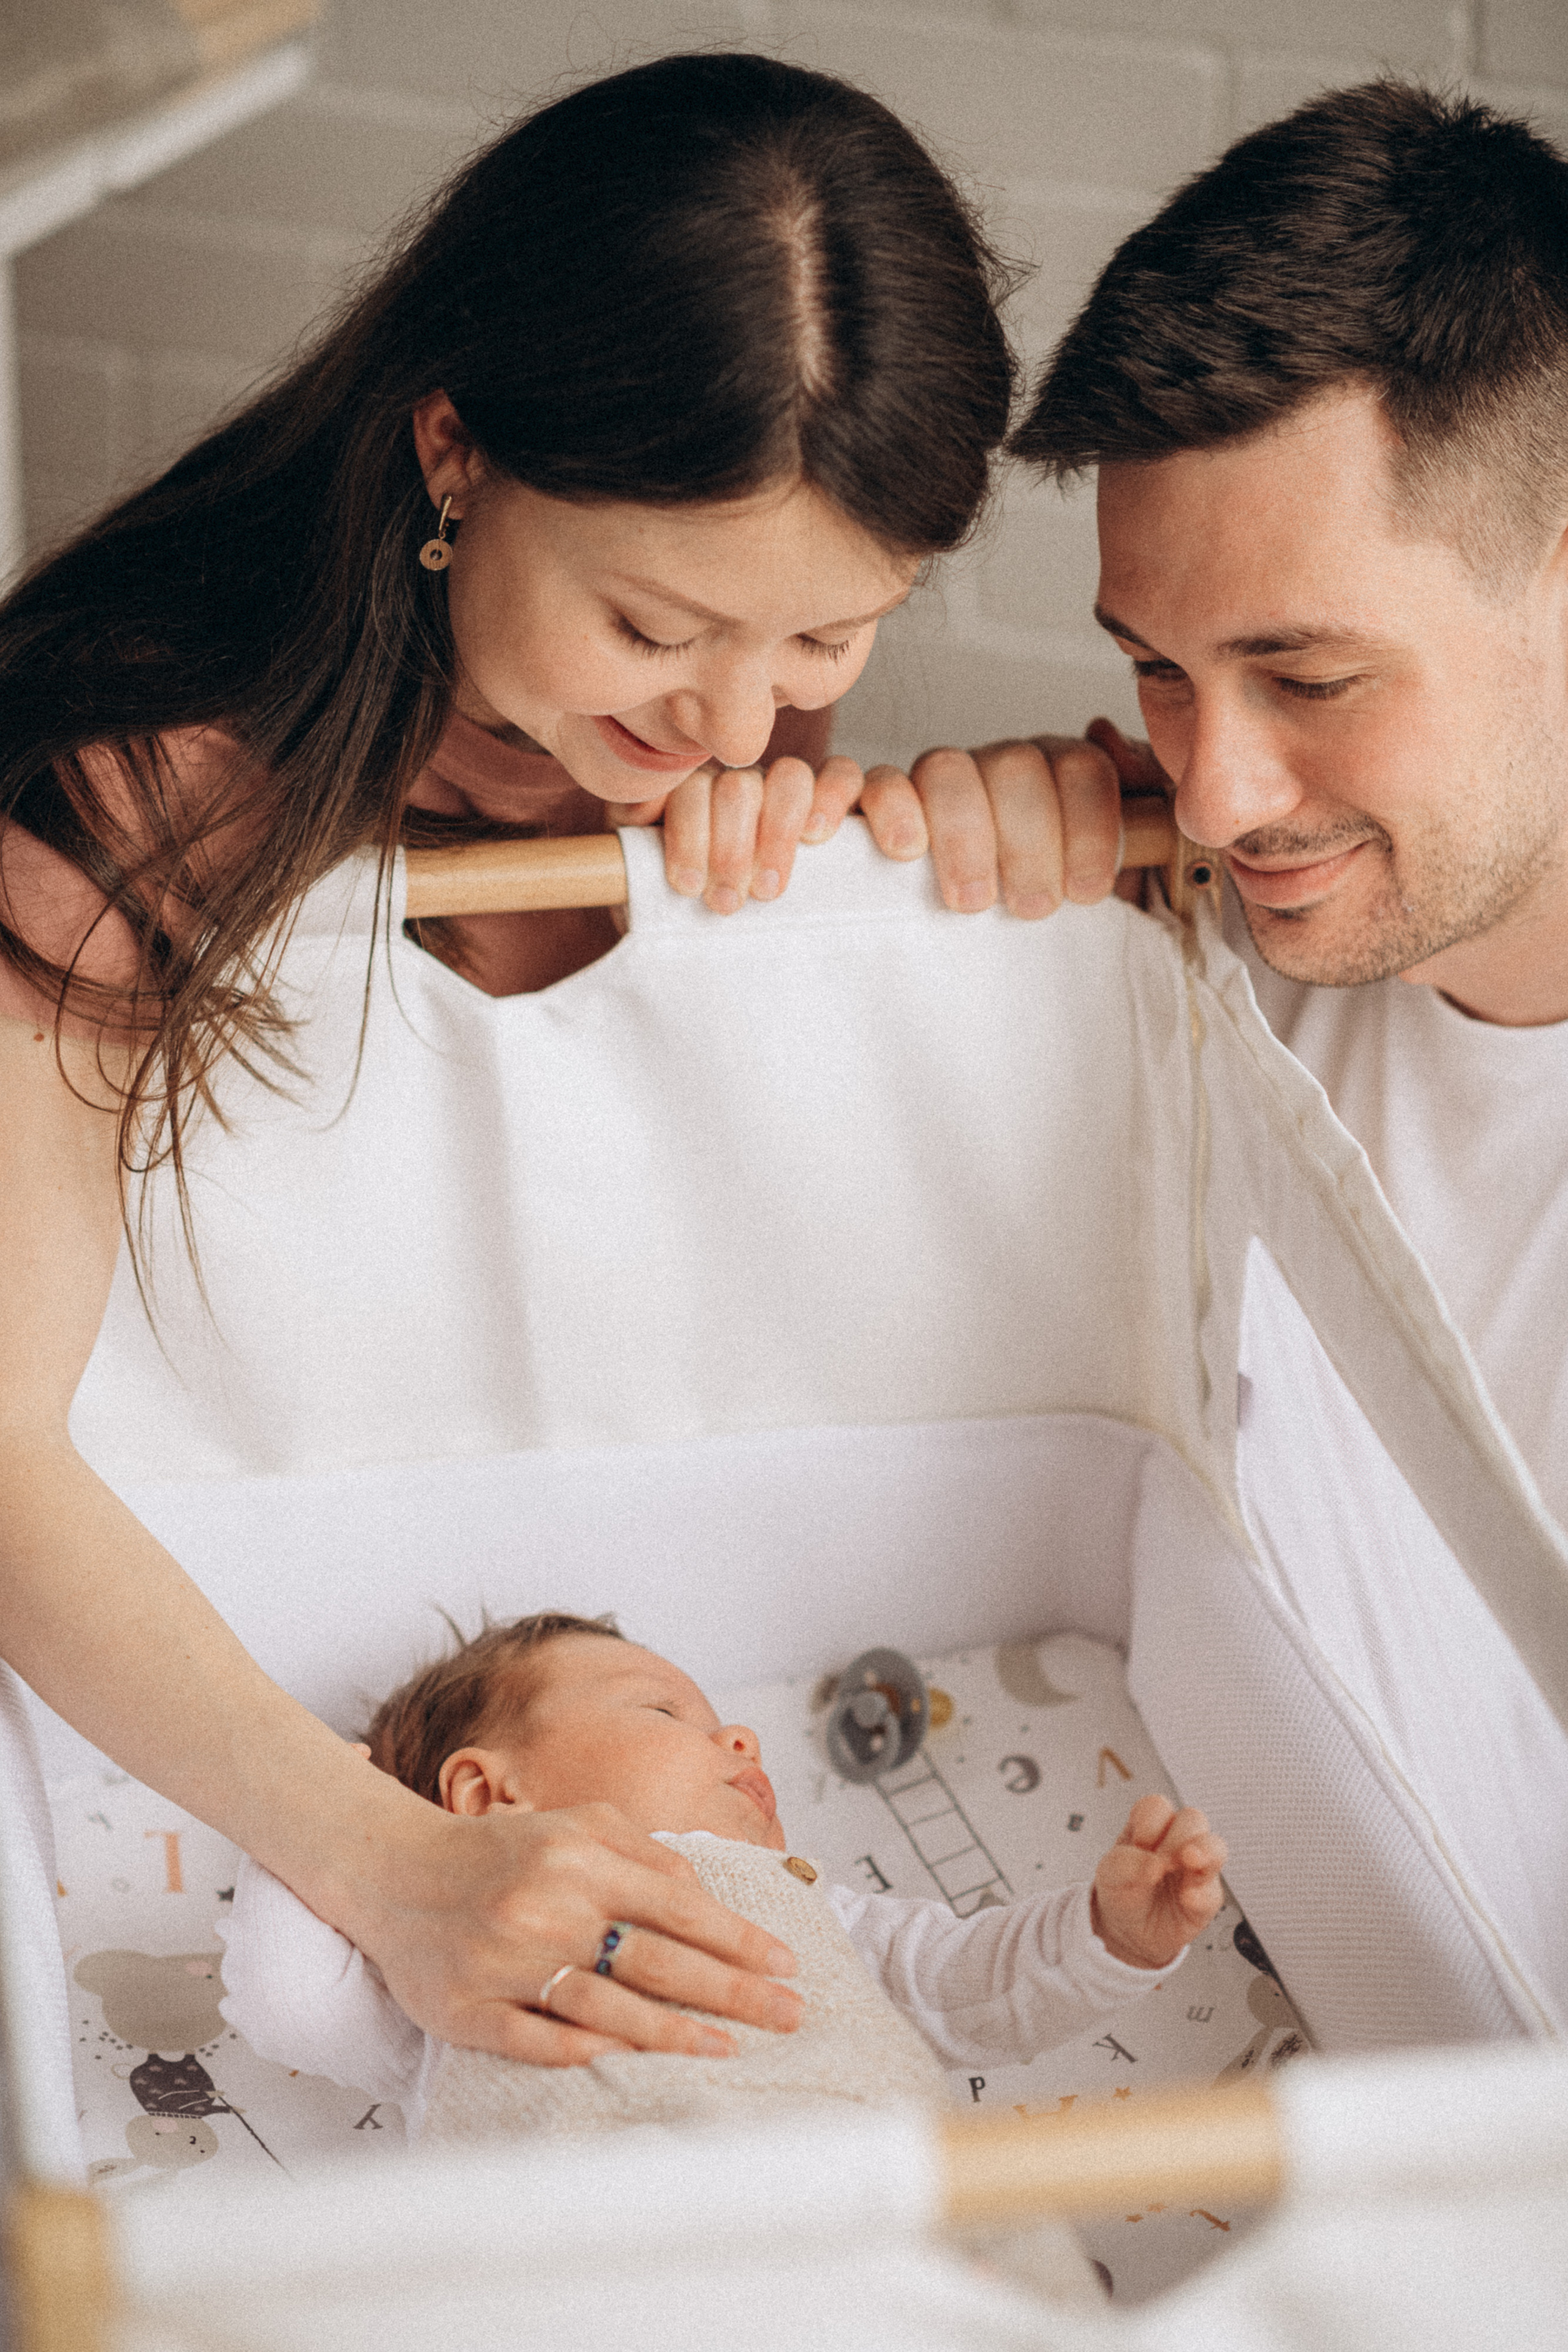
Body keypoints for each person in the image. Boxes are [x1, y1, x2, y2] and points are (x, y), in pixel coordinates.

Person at [0, 51, 1048, 2070]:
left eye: (830, 641)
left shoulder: (697, 725)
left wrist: (947, 834)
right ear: (455, 455)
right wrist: (383, 1866)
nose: (745, 719)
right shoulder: (126, 790)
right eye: (661, 626)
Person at [915, 81, 1568, 1525]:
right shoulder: (1179, 959)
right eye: (1157, 670)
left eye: (1312, 680)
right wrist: (984, 936)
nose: (1212, 800)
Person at [216, 1612, 1224, 2137]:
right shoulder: (456, 1957)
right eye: (664, 1715)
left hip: (879, 2226)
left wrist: (1105, 1936)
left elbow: (969, 1986)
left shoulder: (809, 1908)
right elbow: (286, 2000)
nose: (740, 1734)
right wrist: (337, 1802)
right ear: (487, 1798)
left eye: (718, 1720)